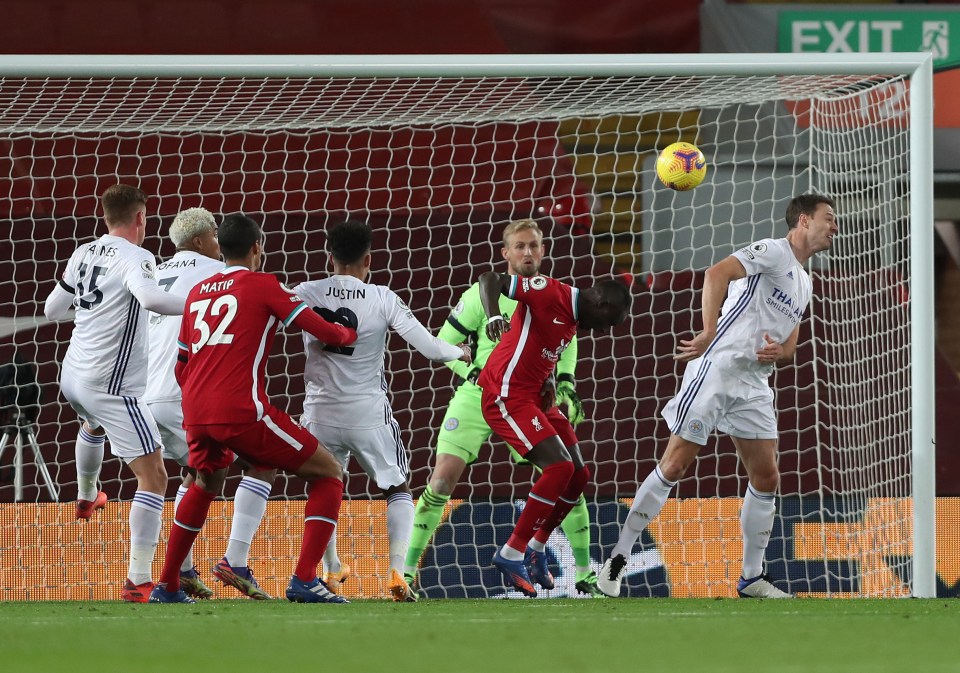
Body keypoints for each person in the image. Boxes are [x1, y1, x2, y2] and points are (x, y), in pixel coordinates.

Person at [597, 193, 838, 599]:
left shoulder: (805, 282)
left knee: (767, 476)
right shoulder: (773, 252)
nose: (834, 226)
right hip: (718, 370)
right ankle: (618, 559)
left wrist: (781, 353)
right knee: (674, 466)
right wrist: (708, 331)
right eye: (828, 218)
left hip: (755, 384)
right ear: (801, 221)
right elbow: (716, 273)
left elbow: (790, 345)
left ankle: (751, 577)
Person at [148, 213, 358, 604]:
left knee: (207, 482)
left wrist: (202, 401)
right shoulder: (263, 285)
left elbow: (181, 363)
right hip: (242, 410)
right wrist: (348, 333)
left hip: (194, 410)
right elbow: (320, 328)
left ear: (221, 248)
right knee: (329, 472)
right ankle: (304, 580)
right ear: (257, 247)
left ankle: (168, 584)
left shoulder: (197, 293)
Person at [403, 218, 606, 596]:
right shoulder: (485, 295)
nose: (527, 253)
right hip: (478, 393)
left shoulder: (556, 298)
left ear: (543, 250)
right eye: (520, 246)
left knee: (569, 475)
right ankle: (407, 571)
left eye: (534, 245)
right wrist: (476, 371)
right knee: (442, 479)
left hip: (529, 396)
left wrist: (564, 385)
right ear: (506, 253)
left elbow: (564, 350)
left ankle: (584, 573)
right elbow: (445, 342)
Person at [294, 219, 471, 602]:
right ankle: (396, 571)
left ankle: (331, 568)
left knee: (324, 487)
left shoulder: (304, 292)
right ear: (368, 260)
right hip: (367, 413)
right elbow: (431, 349)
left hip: (319, 412)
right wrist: (461, 352)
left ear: (329, 257)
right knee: (397, 488)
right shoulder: (382, 296)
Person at [43, 184, 187, 602]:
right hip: (112, 387)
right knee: (155, 476)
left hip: (73, 375)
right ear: (140, 218)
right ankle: (139, 578)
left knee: (91, 423)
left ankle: (87, 496)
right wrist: (198, 302)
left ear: (106, 217)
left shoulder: (83, 251)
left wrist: (96, 310)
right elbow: (152, 299)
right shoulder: (138, 257)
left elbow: (53, 310)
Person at [143, 207, 276, 600]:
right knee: (258, 463)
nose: (221, 242)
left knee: (195, 473)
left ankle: (181, 571)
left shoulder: (155, 273)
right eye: (216, 235)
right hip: (184, 392)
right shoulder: (214, 276)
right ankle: (231, 560)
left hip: (145, 395)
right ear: (201, 242)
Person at [477, 268, 631, 597]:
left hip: (536, 397)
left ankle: (536, 545)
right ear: (600, 303)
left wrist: (548, 379)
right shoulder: (549, 291)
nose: (604, 330)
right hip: (507, 395)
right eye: (609, 322)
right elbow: (490, 279)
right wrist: (492, 318)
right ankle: (511, 553)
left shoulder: (572, 320)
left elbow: (539, 346)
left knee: (578, 475)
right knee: (559, 467)